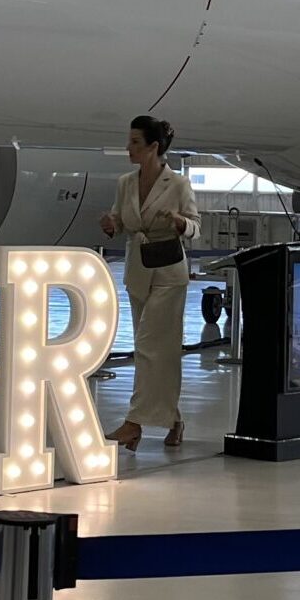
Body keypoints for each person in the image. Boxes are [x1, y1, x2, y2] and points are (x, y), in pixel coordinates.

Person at [99, 115, 199, 450]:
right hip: (139, 270)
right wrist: (111, 224)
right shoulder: (126, 183)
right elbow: (121, 220)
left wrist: (180, 223)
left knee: (150, 347)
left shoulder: (179, 184)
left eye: (135, 142)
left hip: (169, 272)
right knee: (159, 351)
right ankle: (173, 419)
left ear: (154, 147)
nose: (128, 148)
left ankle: (133, 423)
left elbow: (196, 227)